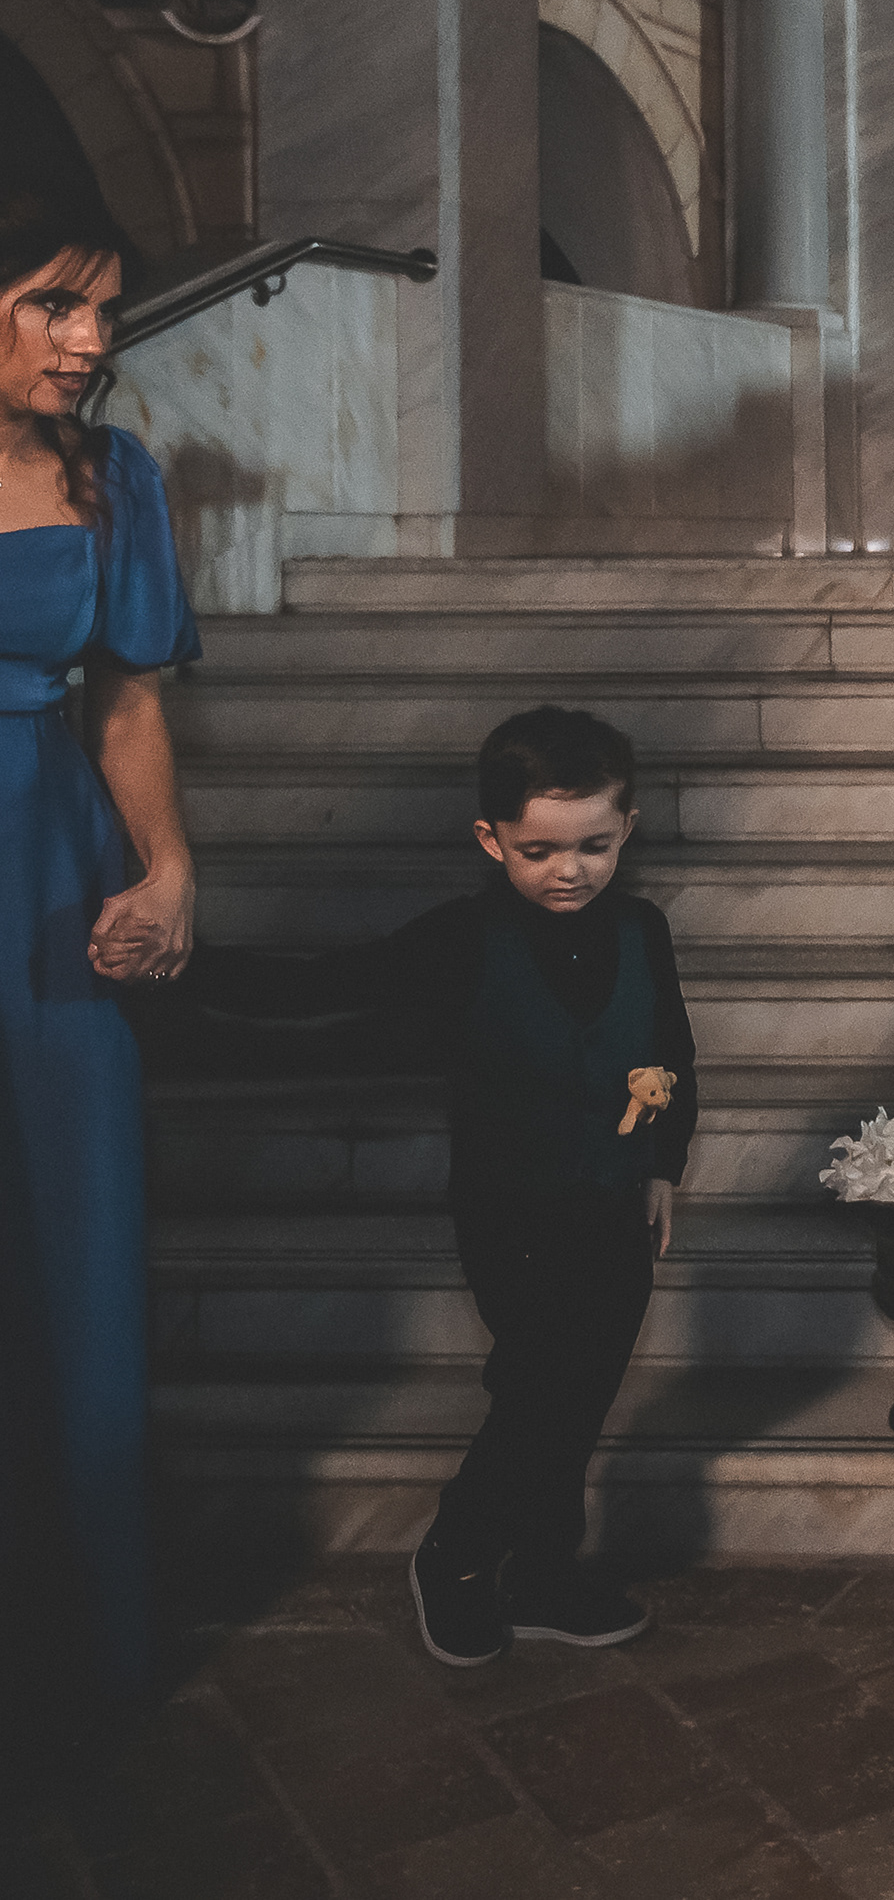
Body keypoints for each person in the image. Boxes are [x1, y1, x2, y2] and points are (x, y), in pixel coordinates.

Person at [184, 706, 697, 1664]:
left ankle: (542, 1571)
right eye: (540, 849)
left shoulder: (643, 928)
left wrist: (664, 1164)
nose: (570, 869)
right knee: (539, 1386)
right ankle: (454, 1554)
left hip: (615, 1206)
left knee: (583, 1392)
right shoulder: (465, 936)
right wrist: (183, 964)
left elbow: (672, 1051)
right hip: (512, 1214)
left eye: (594, 845)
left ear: (626, 828)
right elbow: (321, 988)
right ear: (491, 839)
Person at [0, 192, 196, 1744]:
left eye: (105, 312)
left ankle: (76, 1644)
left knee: (72, 1226)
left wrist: (169, 864)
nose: (89, 338)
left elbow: (126, 697)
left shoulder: (113, 471)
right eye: (55, 303)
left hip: (49, 862)